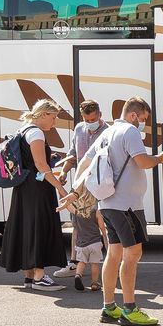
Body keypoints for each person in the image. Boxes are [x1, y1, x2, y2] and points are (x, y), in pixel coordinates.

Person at [62, 97, 163, 326]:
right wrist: (161, 158)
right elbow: (143, 162)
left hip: (108, 204)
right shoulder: (129, 132)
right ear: (134, 115)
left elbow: (85, 163)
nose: (143, 124)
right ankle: (129, 308)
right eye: (143, 119)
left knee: (114, 253)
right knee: (132, 254)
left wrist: (74, 191)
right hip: (127, 206)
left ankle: (108, 307)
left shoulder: (107, 133)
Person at [0, 99, 69, 291]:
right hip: (38, 188)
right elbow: (40, 165)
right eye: (53, 118)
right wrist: (60, 188)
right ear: (44, 114)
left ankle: (29, 276)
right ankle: (39, 277)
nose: (54, 123)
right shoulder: (36, 132)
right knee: (39, 226)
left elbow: (32, 162)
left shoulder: (24, 130)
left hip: (24, 186)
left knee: (27, 227)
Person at [55, 100, 108, 280]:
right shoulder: (79, 129)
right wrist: (63, 172)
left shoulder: (108, 131)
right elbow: (72, 154)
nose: (90, 123)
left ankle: (112, 265)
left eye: (93, 119)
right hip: (79, 185)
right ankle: (74, 264)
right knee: (77, 224)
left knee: (104, 225)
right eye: (87, 120)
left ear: (100, 114)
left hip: (99, 185)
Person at [69, 205, 103, 293]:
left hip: (81, 244)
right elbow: (102, 227)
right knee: (94, 264)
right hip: (95, 243)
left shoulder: (76, 212)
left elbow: (67, 205)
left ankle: (78, 275)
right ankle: (94, 283)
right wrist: (105, 242)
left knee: (81, 262)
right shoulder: (96, 211)